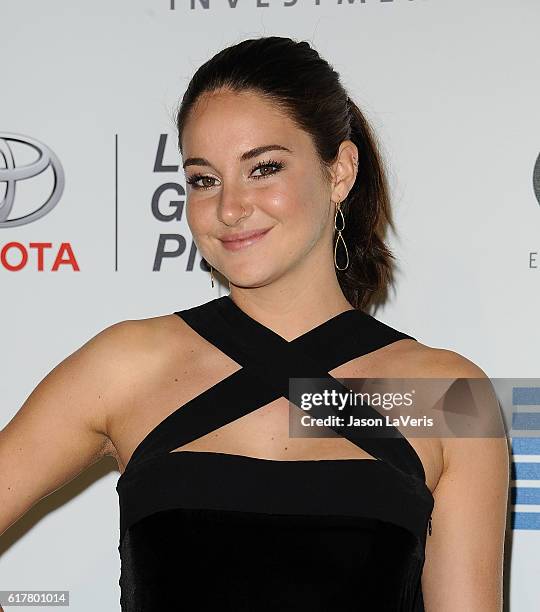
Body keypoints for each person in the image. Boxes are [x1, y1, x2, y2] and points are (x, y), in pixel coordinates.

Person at [0, 36, 509, 611]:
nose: (230, 208)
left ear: (339, 171)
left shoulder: (446, 396)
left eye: (263, 168)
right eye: (203, 179)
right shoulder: (129, 366)